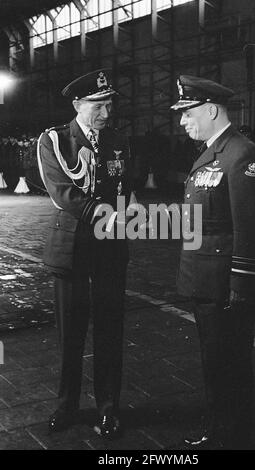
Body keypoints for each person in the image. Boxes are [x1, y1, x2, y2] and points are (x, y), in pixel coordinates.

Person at [171, 75, 255, 449]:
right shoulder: (214, 151)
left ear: (211, 110)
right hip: (206, 279)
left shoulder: (242, 154)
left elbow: (252, 226)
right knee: (216, 362)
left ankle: (229, 435)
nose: (182, 121)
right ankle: (221, 430)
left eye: (187, 113)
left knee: (228, 364)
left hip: (226, 283)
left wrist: (241, 286)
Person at [37, 68, 133, 438]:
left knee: (110, 330)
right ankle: (67, 406)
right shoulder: (56, 140)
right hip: (72, 248)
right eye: (99, 105)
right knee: (70, 334)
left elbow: (127, 187)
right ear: (78, 104)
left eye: (110, 104)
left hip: (110, 249)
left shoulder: (120, 140)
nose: (107, 113)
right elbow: (62, 191)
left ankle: (109, 407)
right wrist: (109, 216)